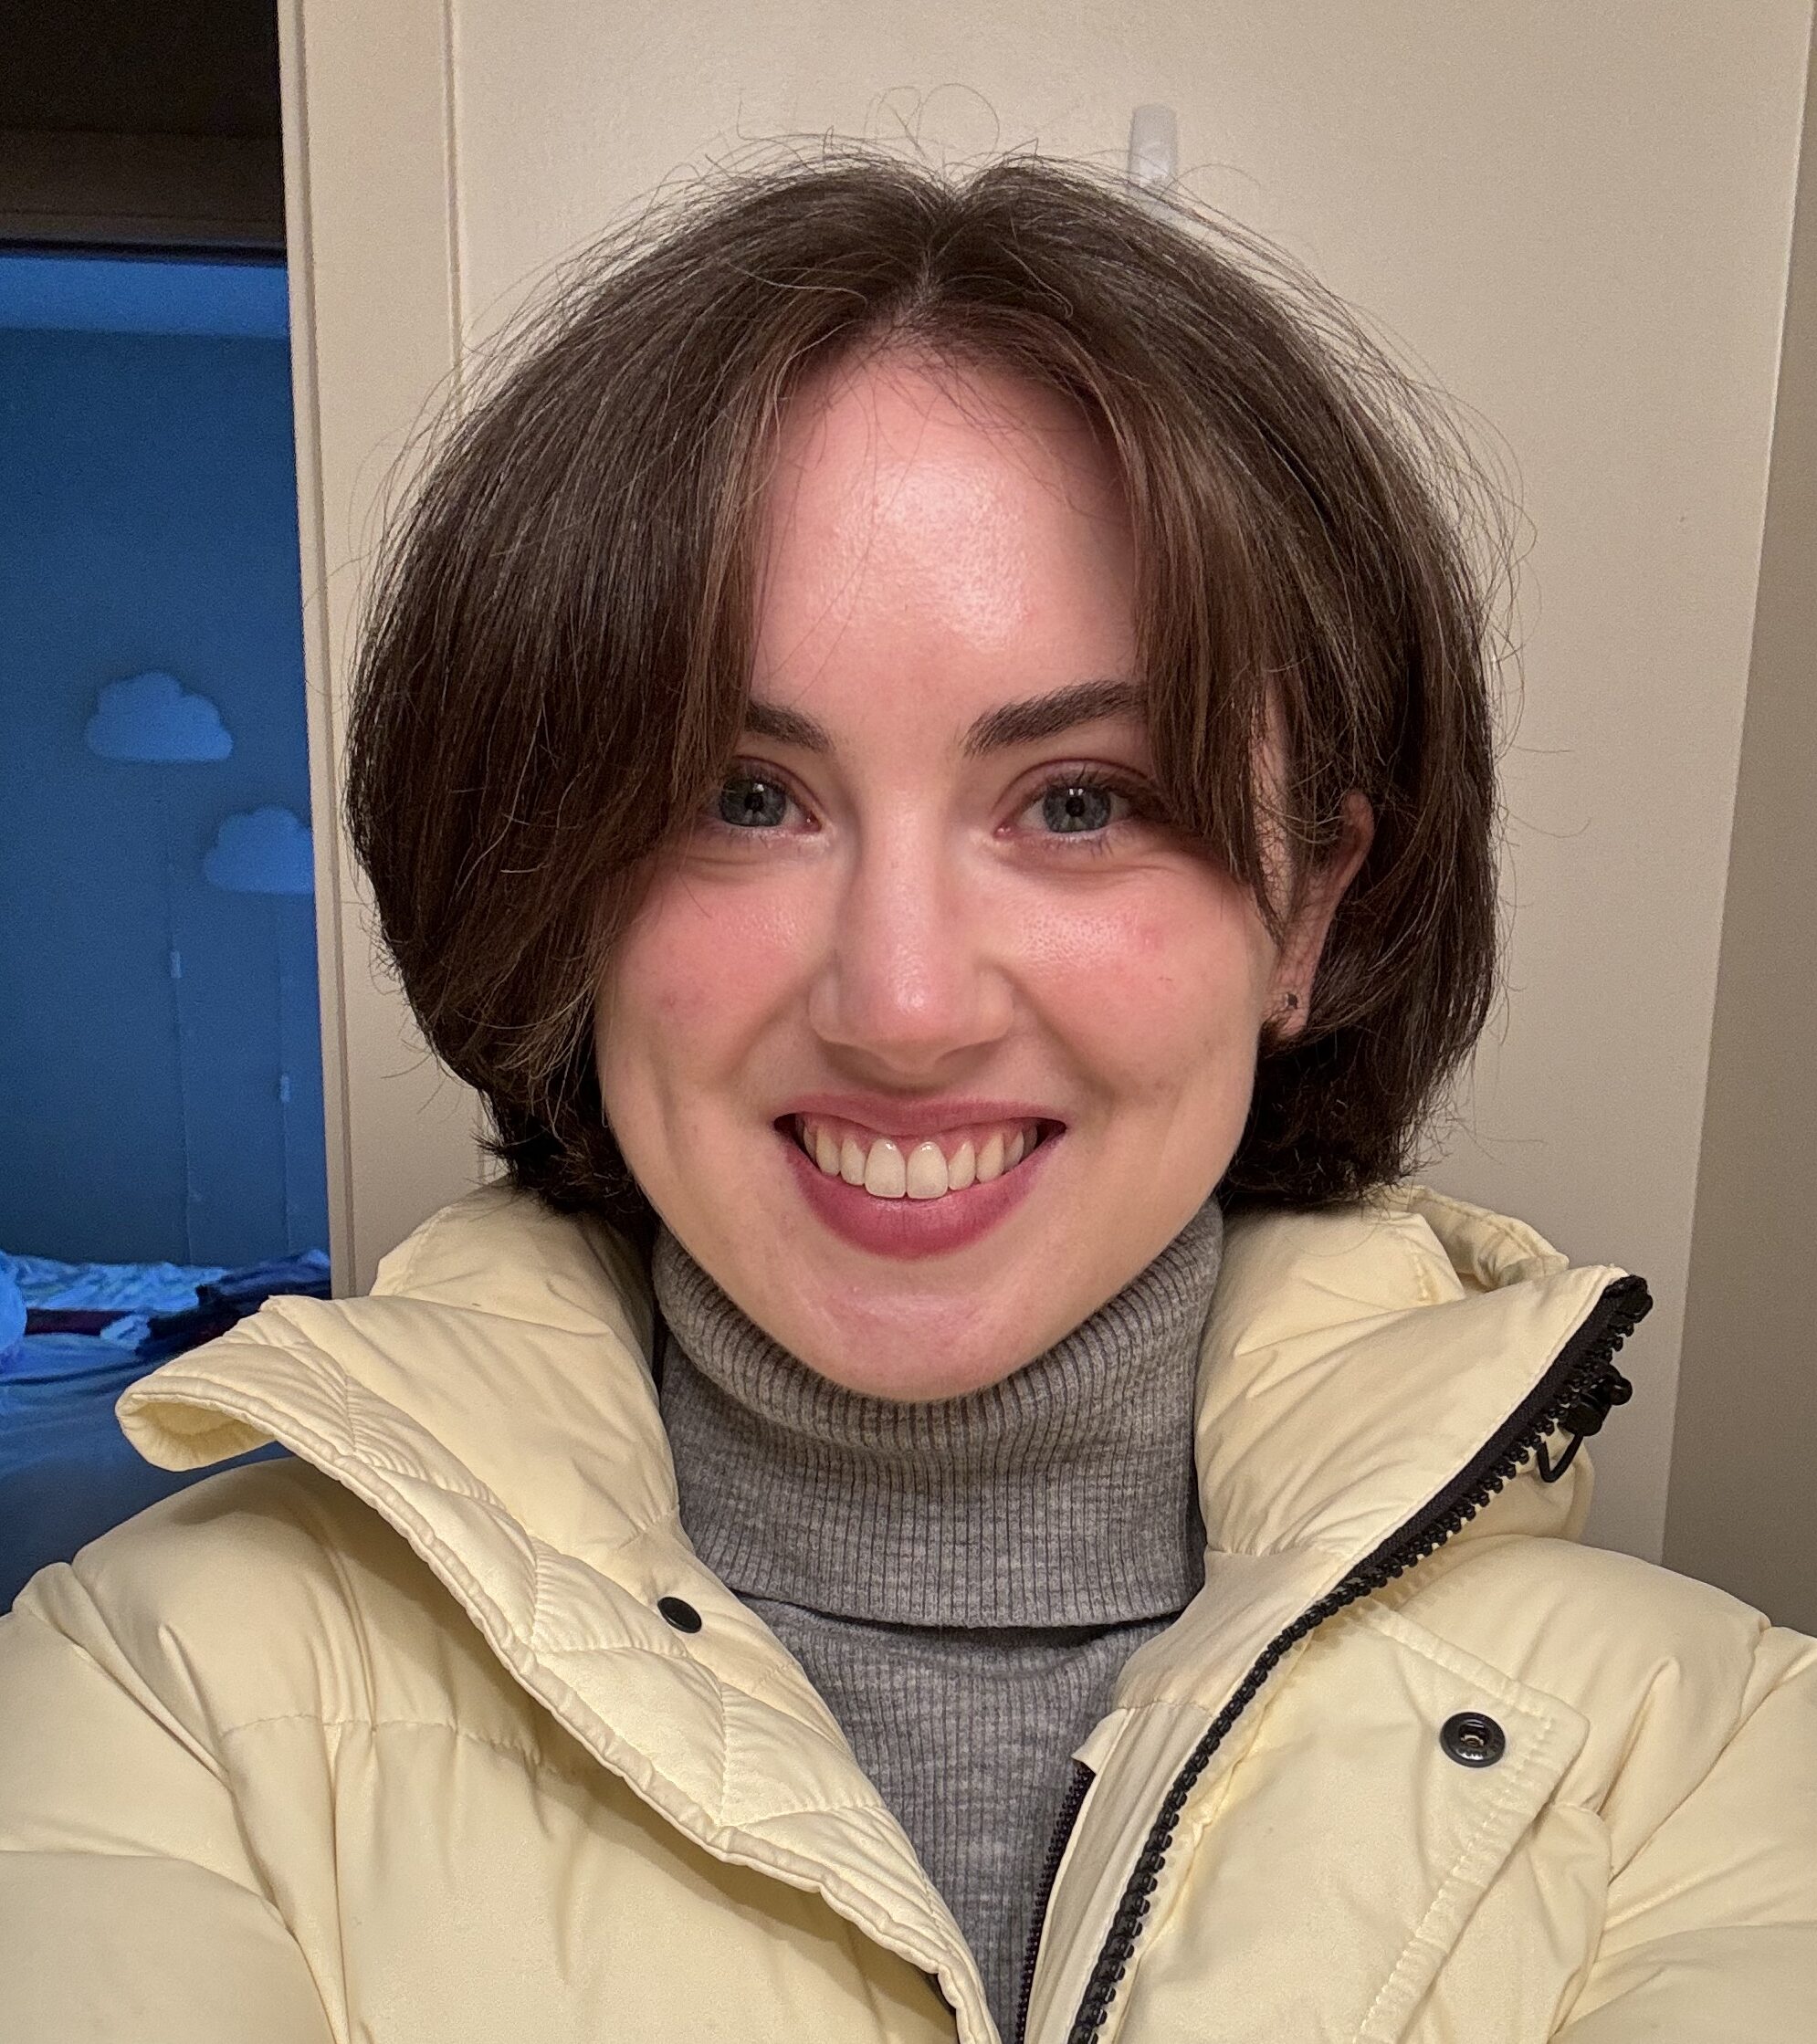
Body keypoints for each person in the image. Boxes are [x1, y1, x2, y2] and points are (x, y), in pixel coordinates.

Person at [1, 149, 1811, 2044]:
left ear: (1308, 907)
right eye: (741, 797)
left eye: (1079, 802)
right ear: (553, 884)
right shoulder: (162, 1702)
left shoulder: (1700, 1767)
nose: (904, 1006)